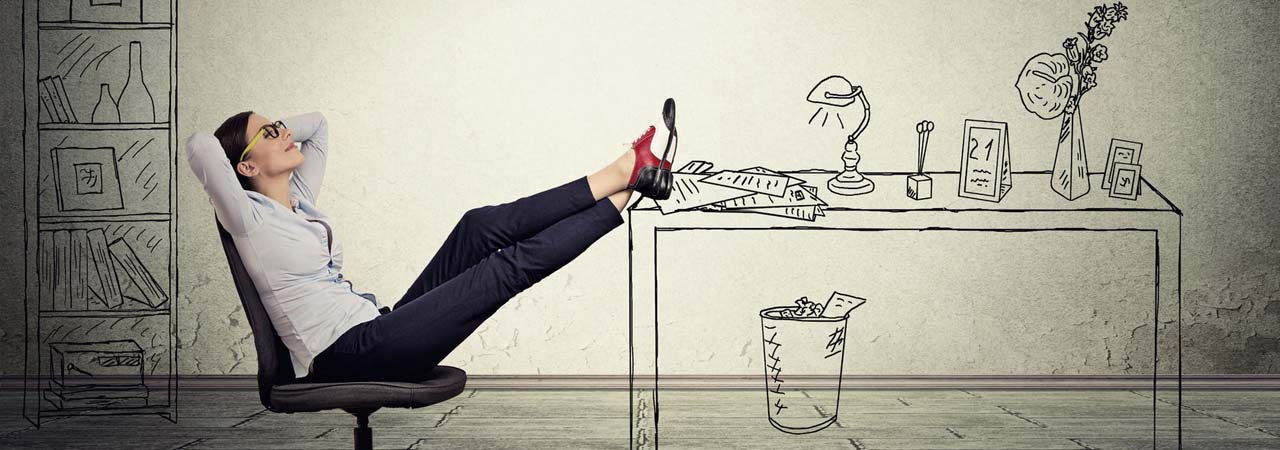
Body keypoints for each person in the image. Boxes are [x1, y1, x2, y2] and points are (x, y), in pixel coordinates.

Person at [186, 103, 677, 383]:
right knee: (501, 271)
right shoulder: (246, 218)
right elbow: (201, 147)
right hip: (345, 356)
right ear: (245, 169)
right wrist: (252, 140)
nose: (284, 132)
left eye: (278, 126)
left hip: (378, 327)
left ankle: (622, 174)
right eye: (270, 133)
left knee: (476, 228)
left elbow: (317, 124)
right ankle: (631, 188)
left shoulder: (299, 199)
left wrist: (273, 131)